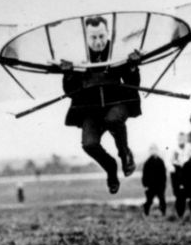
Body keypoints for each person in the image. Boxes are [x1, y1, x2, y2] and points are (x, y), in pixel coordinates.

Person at [60, 16, 142, 194]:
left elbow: (132, 82)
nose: (98, 42)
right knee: (89, 144)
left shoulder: (118, 51)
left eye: (101, 37)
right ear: (86, 38)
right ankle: (111, 168)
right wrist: (68, 74)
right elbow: (70, 91)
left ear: (108, 34)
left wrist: (132, 67)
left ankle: (125, 154)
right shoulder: (78, 57)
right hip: (91, 109)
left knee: (113, 120)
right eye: (93, 38)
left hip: (116, 103)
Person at [141, 145, 167, 216]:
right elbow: (144, 175)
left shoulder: (161, 161)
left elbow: (164, 175)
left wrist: (163, 185)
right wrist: (145, 185)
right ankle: (146, 213)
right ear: (150, 151)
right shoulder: (147, 163)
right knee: (149, 201)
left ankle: (163, 213)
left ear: (157, 151)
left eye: (155, 150)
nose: (154, 151)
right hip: (150, 186)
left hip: (159, 186)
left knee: (162, 200)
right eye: (152, 150)